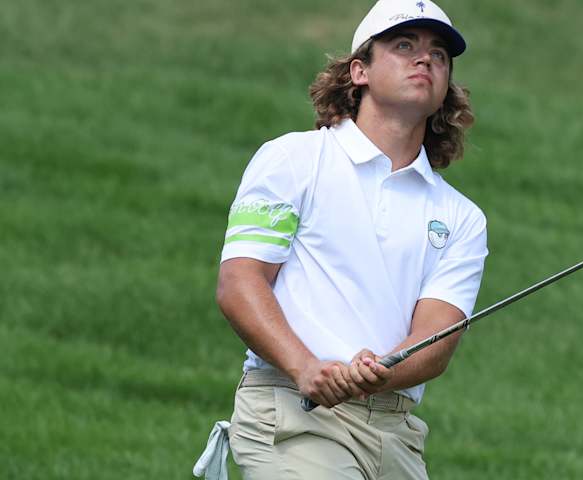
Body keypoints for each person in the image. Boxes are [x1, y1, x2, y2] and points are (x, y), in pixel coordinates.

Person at [193, 1, 487, 478]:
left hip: (396, 435)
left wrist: (383, 370)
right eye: (404, 45)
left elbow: (436, 339)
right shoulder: (293, 160)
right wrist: (306, 367)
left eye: (439, 55)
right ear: (359, 71)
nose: (424, 60)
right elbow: (240, 283)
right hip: (293, 411)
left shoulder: (460, 217)